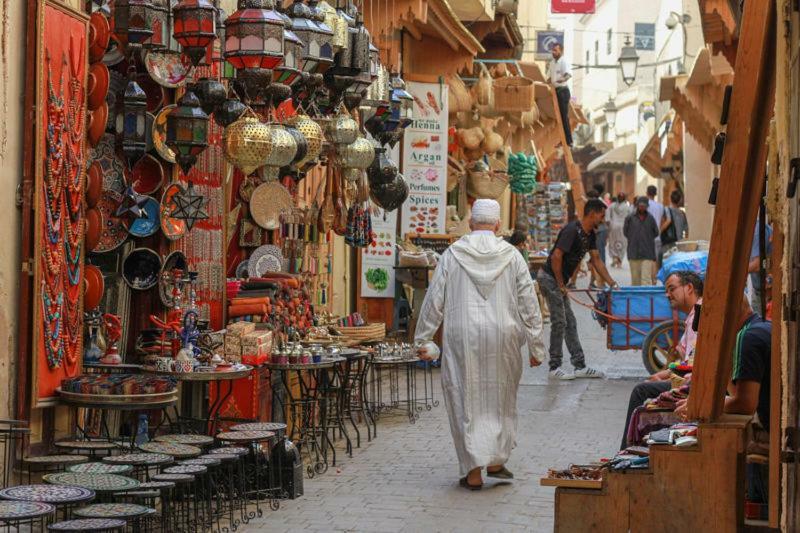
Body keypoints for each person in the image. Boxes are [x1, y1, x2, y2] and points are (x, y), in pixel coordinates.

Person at [414, 199, 546, 490]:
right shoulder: (512, 256)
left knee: (466, 399)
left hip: (463, 336)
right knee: (500, 399)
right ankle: (497, 460)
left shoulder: (452, 254)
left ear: (471, 224)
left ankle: (474, 471)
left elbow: (434, 299)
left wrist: (423, 338)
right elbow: (529, 303)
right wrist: (537, 346)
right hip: (504, 336)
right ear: (498, 225)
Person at [620, 271, 703, 449]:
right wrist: (663, 374)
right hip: (689, 378)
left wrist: (666, 376)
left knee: (640, 391)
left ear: (689, 288)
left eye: (672, 289)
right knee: (648, 385)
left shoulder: (699, 314)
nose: (668, 294)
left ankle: (626, 451)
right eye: (666, 290)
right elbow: (687, 361)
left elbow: (694, 364)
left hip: (694, 383)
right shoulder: (692, 316)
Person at [538, 199, 618, 380]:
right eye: (602, 215)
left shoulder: (590, 235)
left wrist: (612, 283)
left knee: (570, 322)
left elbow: (596, 260)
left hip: (557, 281)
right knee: (560, 322)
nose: (603, 219)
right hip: (550, 278)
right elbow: (556, 257)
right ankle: (554, 367)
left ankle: (579, 365)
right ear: (592, 213)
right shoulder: (571, 230)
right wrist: (560, 284)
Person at [624, 197, 659, 286]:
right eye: (640, 206)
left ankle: (646, 299)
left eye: (644, 206)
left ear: (647, 206)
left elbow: (656, 232)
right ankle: (637, 299)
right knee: (635, 280)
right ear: (637, 206)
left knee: (646, 280)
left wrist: (646, 239)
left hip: (647, 253)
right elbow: (625, 232)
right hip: (633, 252)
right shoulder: (630, 218)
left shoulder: (651, 218)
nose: (642, 208)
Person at [748, 219, 773, 317]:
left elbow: (757, 265)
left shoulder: (757, 230)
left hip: (767, 293)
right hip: (759, 290)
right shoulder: (755, 229)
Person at [549, 43, 573, 146]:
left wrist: (561, 79)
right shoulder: (551, 63)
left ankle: (569, 141)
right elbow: (550, 78)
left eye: (555, 50)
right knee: (557, 118)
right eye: (553, 50)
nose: (553, 52)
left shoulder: (564, 61)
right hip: (555, 92)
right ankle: (562, 139)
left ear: (561, 51)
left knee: (564, 116)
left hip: (563, 91)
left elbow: (568, 75)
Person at [607, 193, 631, 268]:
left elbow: (607, 217)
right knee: (622, 243)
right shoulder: (627, 207)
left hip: (613, 226)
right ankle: (619, 260)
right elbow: (629, 218)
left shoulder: (612, 205)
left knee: (613, 242)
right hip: (623, 227)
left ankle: (614, 257)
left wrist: (609, 226)